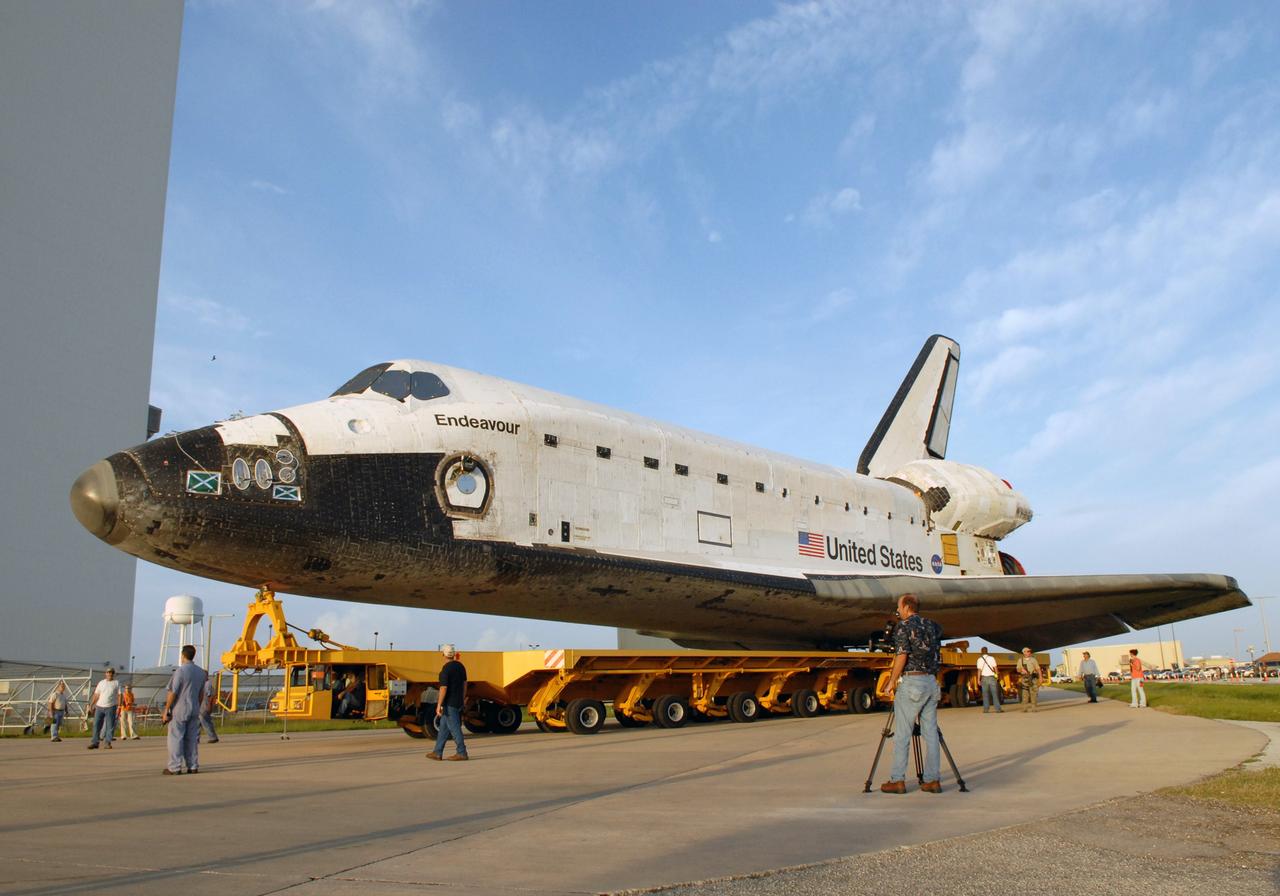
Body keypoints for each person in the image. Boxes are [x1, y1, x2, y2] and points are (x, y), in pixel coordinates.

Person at [880, 594, 943, 794]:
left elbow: (902, 655)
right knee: (931, 733)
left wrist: (891, 682)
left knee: (903, 734)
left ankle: (897, 780)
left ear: (906, 607)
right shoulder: (932, 625)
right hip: (931, 682)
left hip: (912, 682)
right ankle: (932, 779)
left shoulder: (904, 626)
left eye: (898, 607)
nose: (897, 611)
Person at [162, 645, 206, 775]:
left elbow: (173, 692)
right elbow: (201, 693)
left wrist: (166, 710)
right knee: (192, 738)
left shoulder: (180, 672)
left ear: (182, 655)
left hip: (180, 708)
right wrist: (197, 705)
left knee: (176, 737)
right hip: (194, 708)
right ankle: (192, 765)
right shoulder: (201, 672)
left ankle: (174, 767)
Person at [428, 644, 468, 761]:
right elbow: (465, 684)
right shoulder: (461, 666)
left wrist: (439, 705)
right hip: (457, 701)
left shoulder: (445, 669)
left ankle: (462, 752)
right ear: (454, 654)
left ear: (443, 655)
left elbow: (443, 688)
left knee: (455, 729)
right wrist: (462, 698)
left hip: (449, 703)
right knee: (444, 728)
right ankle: (437, 752)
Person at [87, 667, 120, 749]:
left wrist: (119, 706)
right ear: (105, 673)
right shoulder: (101, 683)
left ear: (113, 674)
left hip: (111, 707)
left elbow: (120, 695)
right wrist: (91, 705)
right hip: (99, 707)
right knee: (96, 725)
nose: (110, 674)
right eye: (108, 672)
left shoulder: (116, 683)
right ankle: (95, 742)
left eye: (111, 672)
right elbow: (96, 695)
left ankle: (107, 742)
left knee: (110, 726)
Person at [1016, 648, 1043, 712]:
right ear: (1024, 652)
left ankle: (1034, 708)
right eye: (1027, 651)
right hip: (1025, 679)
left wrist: (1041, 677)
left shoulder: (1033, 660)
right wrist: (1021, 670)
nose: (1029, 652)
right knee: (1025, 694)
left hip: (1033, 678)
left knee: (1033, 693)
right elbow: (1017, 669)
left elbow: (1038, 669)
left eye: (1029, 651)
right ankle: (1024, 708)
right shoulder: (1020, 660)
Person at [977, 647, 1002, 713]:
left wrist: (978, 680)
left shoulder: (979, 659)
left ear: (981, 652)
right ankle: (998, 709)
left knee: (985, 694)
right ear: (987, 651)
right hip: (992, 678)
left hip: (984, 678)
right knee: (994, 694)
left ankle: (986, 709)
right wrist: (997, 676)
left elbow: (979, 670)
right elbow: (995, 668)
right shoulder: (991, 658)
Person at [199, 677, 219, 743]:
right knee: (197, 721)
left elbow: (211, 696)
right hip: (200, 704)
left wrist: (210, 705)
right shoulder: (201, 683)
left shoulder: (207, 684)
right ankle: (195, 738)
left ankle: (212, 737)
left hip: (205, 705)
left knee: (204, 720)